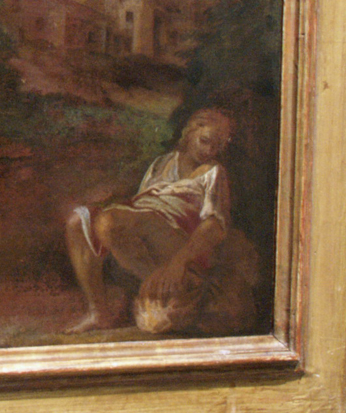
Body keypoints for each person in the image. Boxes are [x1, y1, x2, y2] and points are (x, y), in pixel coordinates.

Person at [64, 108, 234, 334]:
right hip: (145, 225)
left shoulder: (214, 171)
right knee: (77, 222)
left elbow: (215, 225)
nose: (209, 150)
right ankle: (99, 313)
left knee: (108, 222)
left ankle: (164, 286)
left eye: (217, 146)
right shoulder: (162, 163)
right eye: (204, 141)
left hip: (177, 235)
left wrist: (179, 262)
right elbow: (141, 204)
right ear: (190, 132)